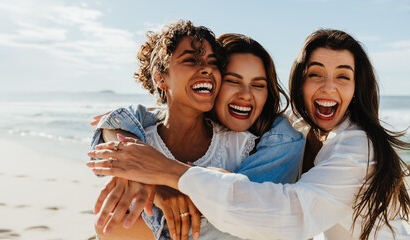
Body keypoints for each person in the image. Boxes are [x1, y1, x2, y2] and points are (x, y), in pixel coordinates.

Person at [87, 28, 410, 240]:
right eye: (315, 75)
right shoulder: (294, 128)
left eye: (343, 77)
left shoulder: (354, 145)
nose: (328, 87)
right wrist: (145, 173)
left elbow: (289, 215)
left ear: (357, 88)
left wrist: (172, 174)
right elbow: (130, 117)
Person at [90, 24, 305, 240]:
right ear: (160, 78)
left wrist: (157, 178)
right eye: (232, 80)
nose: (206, 69)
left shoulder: (255, 145)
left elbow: (239, 204)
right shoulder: (140, 133)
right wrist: (140, 173)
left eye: (213, 63)